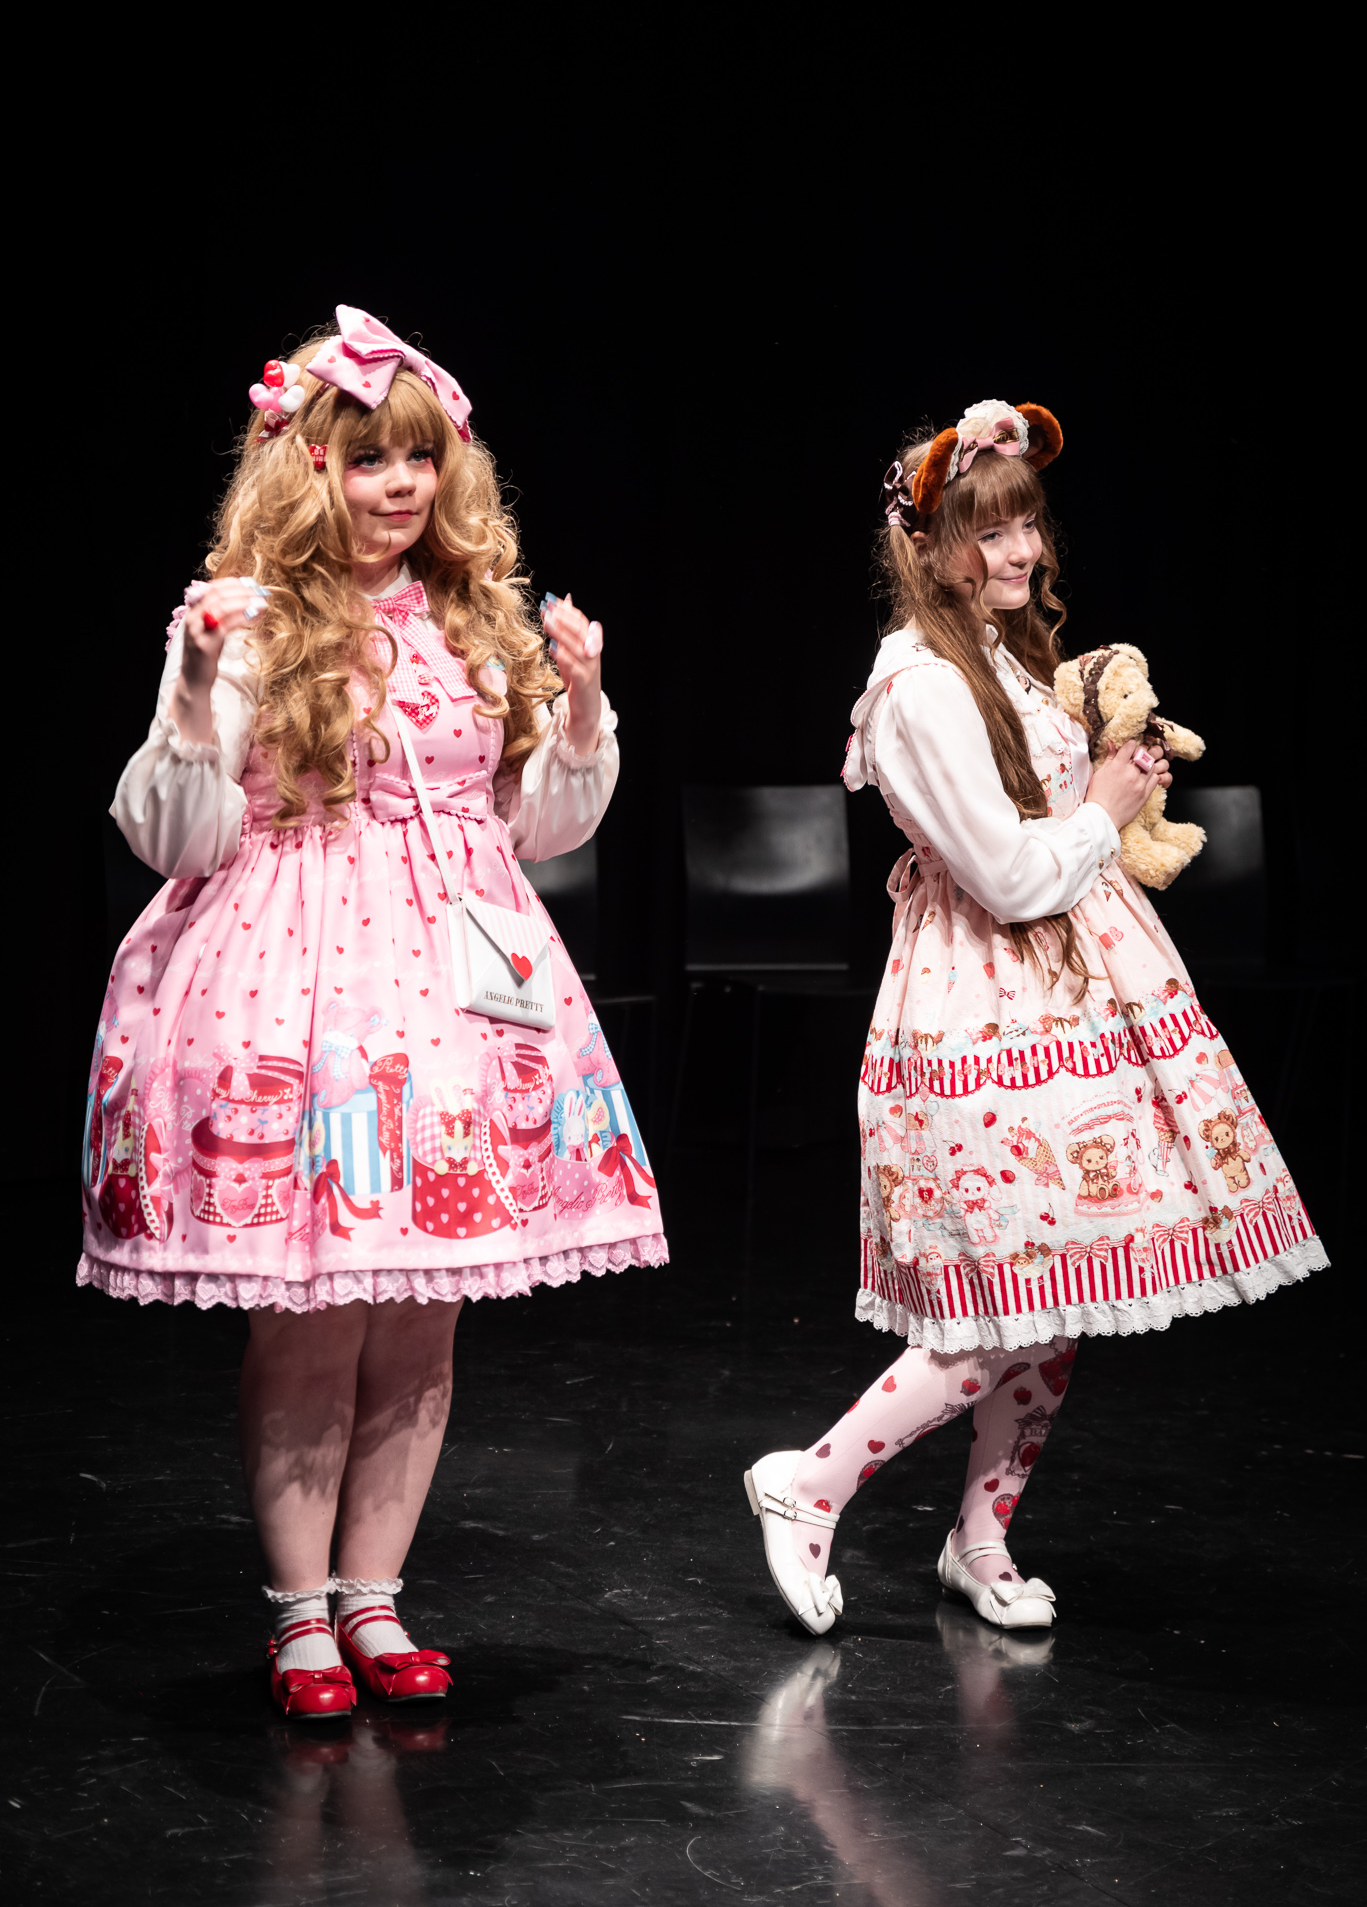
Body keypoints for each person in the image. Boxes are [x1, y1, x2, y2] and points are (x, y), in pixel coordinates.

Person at [82, 306, 665, 1717]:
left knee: (421, 1320)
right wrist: (195, 683)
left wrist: (583, 707)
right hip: (298, 979)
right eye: (364, 459)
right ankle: (299, 1616)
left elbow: (535, 827)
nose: (398, 484)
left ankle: (375, 1594)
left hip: (461, 990)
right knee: (311, 1317)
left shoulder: (472, 619)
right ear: (307, 471)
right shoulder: (250, 623)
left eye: (417, 457)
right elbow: (174, 834)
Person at [743, 399, 1324, 1635]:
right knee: (995, 1293)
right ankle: (810, 1480)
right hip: (984, 1002)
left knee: (1057, 1286)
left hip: (1065, 991)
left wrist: (1110, 767)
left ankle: (981, 1534)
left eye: (1026, 527)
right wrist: (1101, 807)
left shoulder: (998, 658)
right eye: (987, 530)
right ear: (928, 544)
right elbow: (1007, 876)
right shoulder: (917, 685)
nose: (1018, 552)